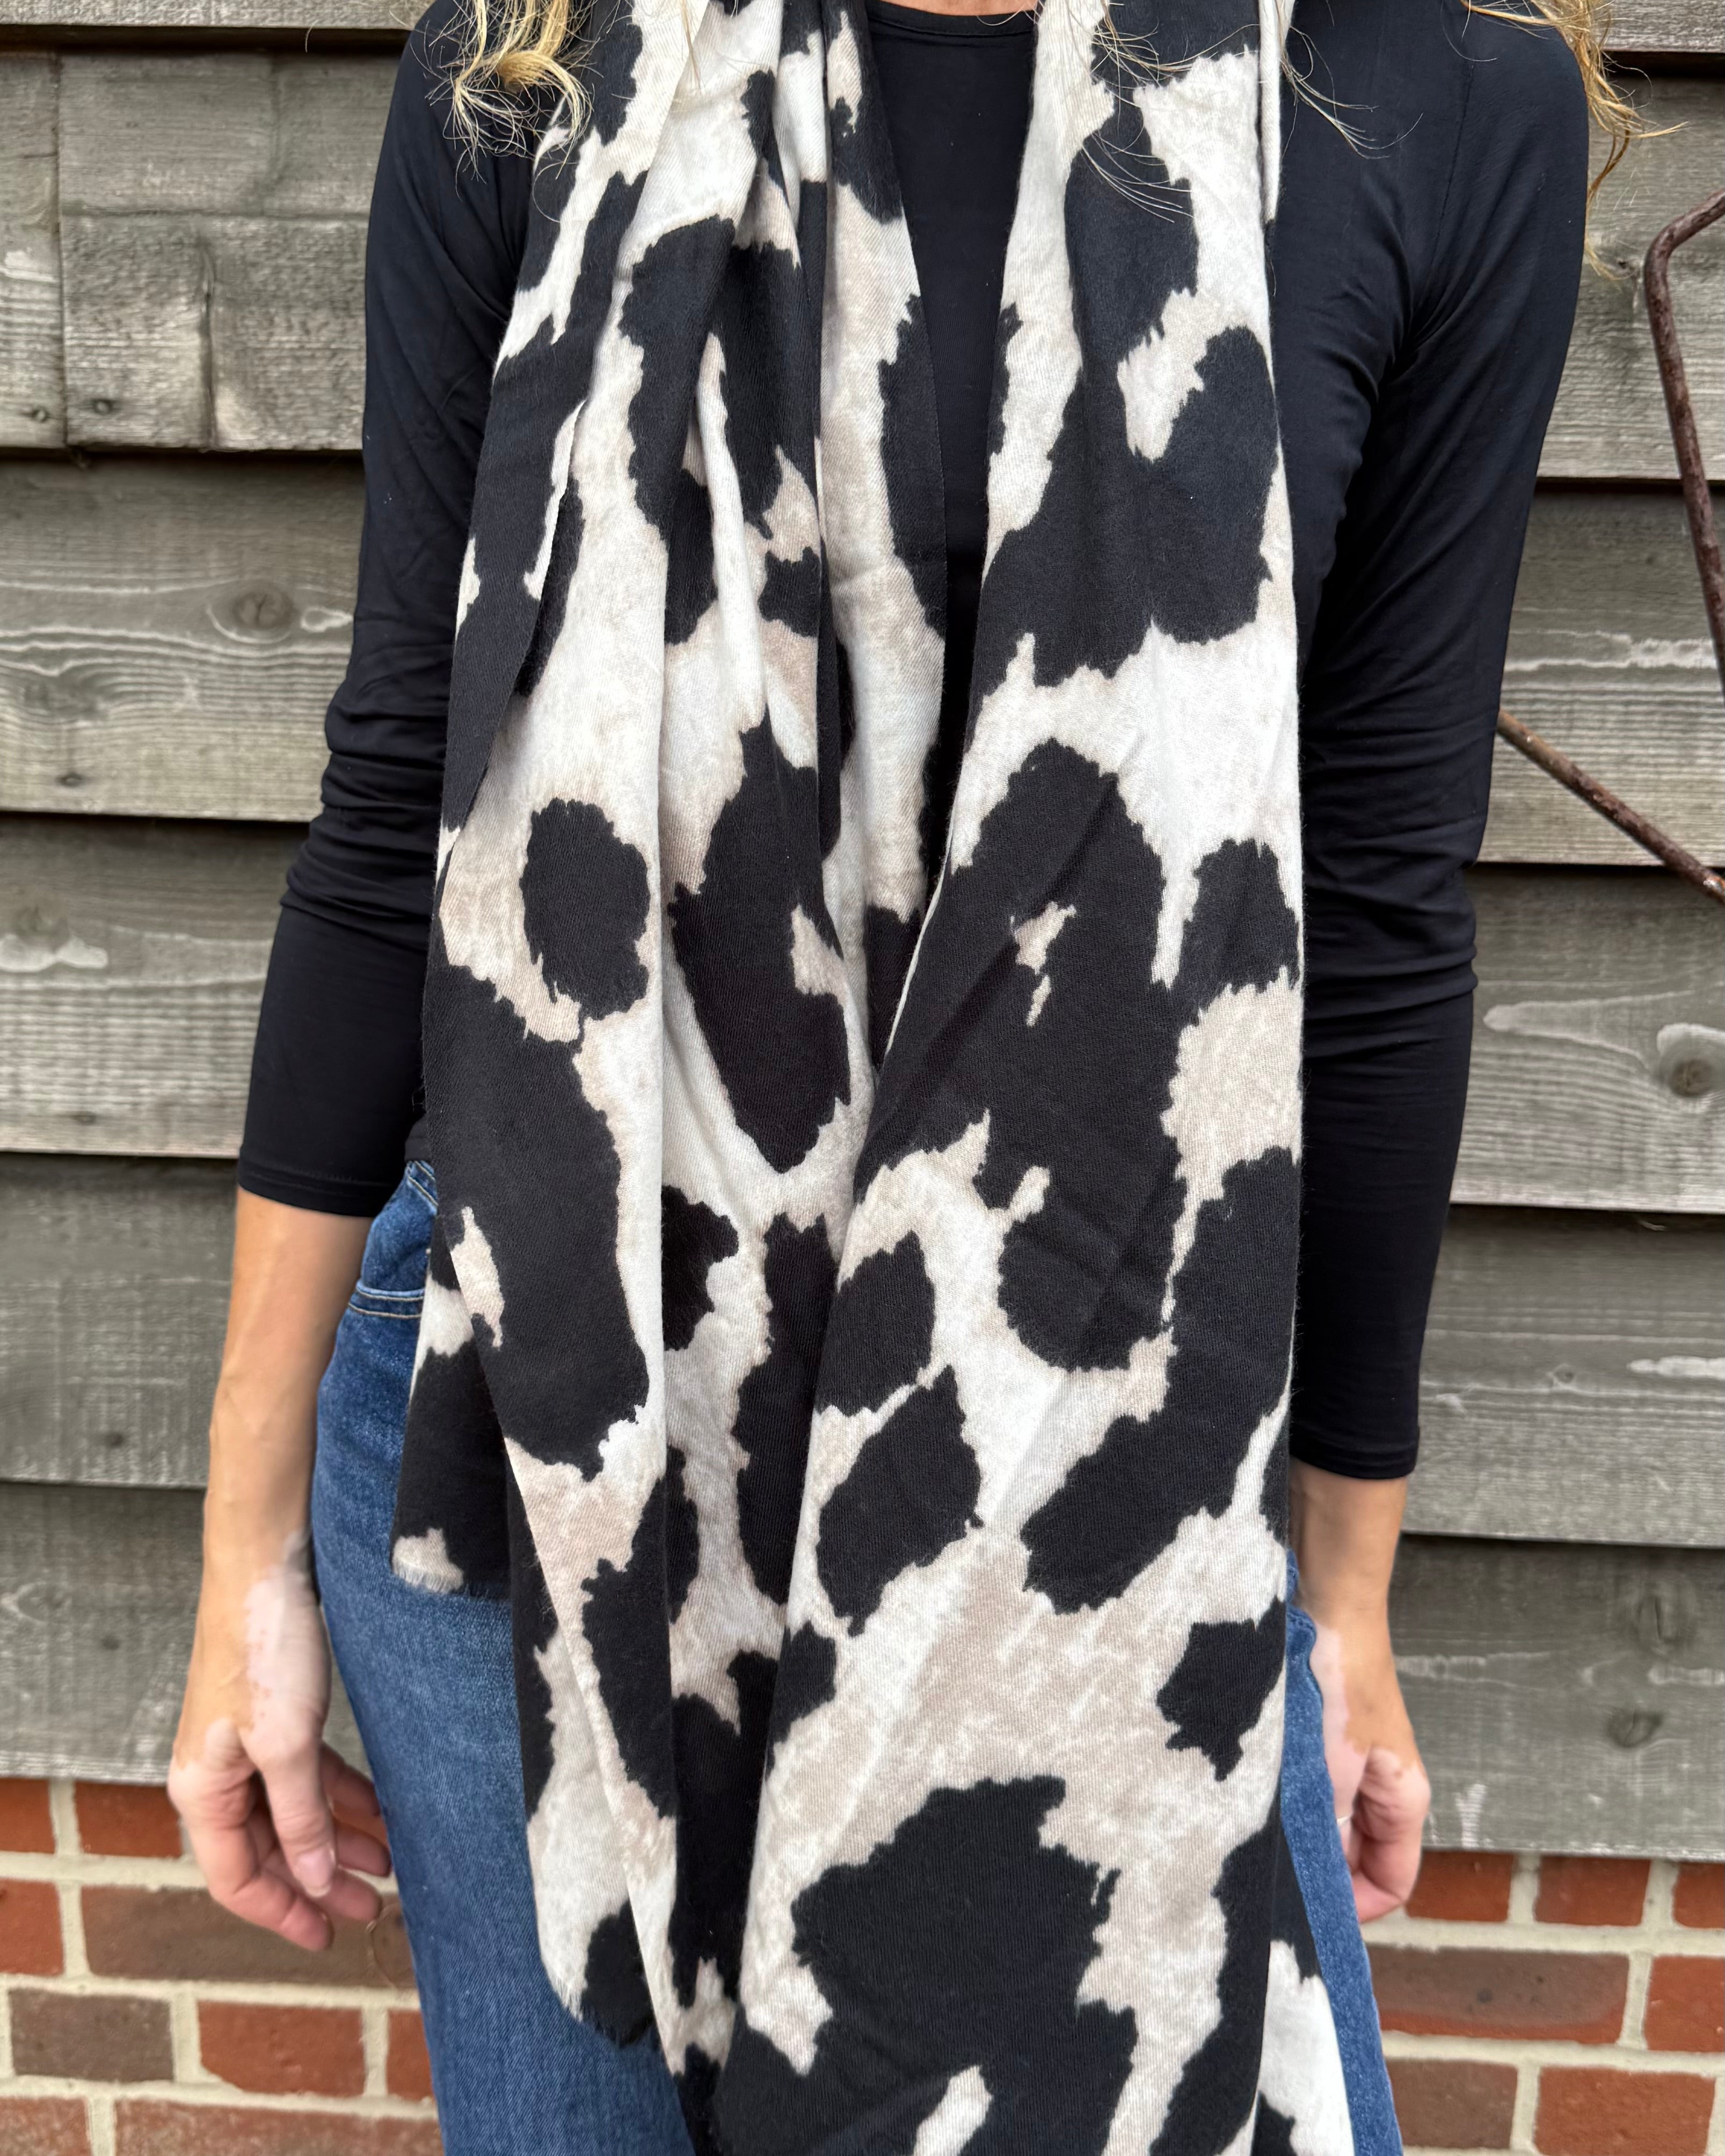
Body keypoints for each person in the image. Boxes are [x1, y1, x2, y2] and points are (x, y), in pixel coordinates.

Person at [169, 0, 1603, 2147]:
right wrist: (247, 1551)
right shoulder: (538, 65)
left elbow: (1380, 910)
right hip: (562, 1396)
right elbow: (402, 805)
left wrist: (1346, 1591)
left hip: (1106, 1443)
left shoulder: (1427, 99)